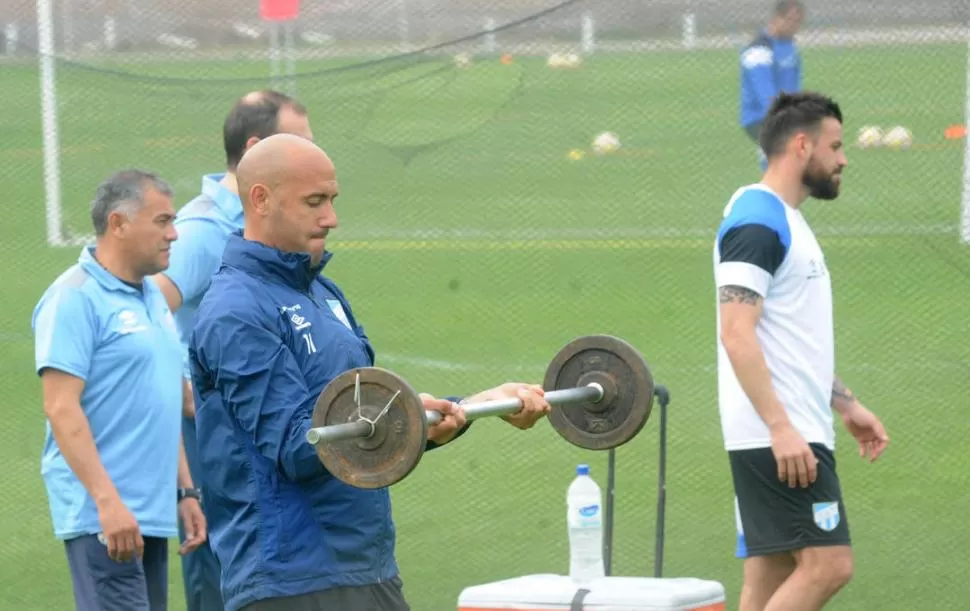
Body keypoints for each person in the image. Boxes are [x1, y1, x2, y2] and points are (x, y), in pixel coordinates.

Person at [187, 133, 553, 611]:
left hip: (367, 568)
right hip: (289, 583)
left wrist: (472, 406)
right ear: (260, 199)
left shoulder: (325, 295)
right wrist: (404, 414)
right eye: (314, 202)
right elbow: (299, 446)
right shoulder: (235, 310)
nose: (331, 218)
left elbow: (368, 434)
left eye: (333, 200)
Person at [713, 91, 891, 611]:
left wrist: (845, 403)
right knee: (828, 565)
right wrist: (781, 427)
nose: (843, 158)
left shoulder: (784, 219)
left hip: (788, 428)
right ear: (800, 145)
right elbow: (736, 331)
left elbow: (789, 337)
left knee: (769, 579)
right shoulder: (756, 221)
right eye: (835, 146)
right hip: (780, 439)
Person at [151, 89, 314, 611]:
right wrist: (182, 393)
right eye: (298, 142)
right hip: (207, 431)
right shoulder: (202, 232)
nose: (313, 153)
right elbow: (146, 309)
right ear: (254, 149)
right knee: (220, 571)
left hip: (251, 420)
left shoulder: (255, 224)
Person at [31, 169, 208, 610]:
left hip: (149, 512)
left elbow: (164, 400)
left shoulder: (152, 297)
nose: (174, 235)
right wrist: (106, 504)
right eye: (163, 221)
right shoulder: (73, 298)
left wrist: (185, 492)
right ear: (119, 223)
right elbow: (60, 407)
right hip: (104, 517)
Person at [739, 0, 805, 171]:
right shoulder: (758, 50)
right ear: (777, 19)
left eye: (798, 22)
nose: (795, 27)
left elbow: (794, 86)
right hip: (761, 117)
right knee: (781, 165)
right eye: (791, 21)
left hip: (785, 113)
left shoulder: (790, 46)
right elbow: (766, 96)